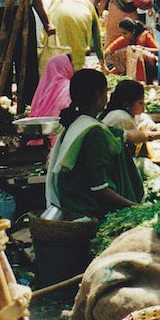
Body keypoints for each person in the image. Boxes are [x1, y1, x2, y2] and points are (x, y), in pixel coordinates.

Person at [45, 69, 144, 219]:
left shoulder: (78, 121)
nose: (107, 96)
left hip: (69, 201)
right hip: (85, 208)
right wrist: (136, 208)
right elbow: (100, 191)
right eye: (106, 91)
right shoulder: (93, 132)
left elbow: (124, 135)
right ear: (98, 95)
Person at [46, 0, 104, 71]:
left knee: (59, 61)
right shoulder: (88, 4)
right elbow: (97, 38)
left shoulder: (54, 4)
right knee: (77, 65)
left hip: (58, 21)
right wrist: (102, 63)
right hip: (80, 18)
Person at [29, 53, 74, 119]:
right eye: (72, 66)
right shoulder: (68, 87)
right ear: (66, 66)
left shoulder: (44, 88)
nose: (73, 69)